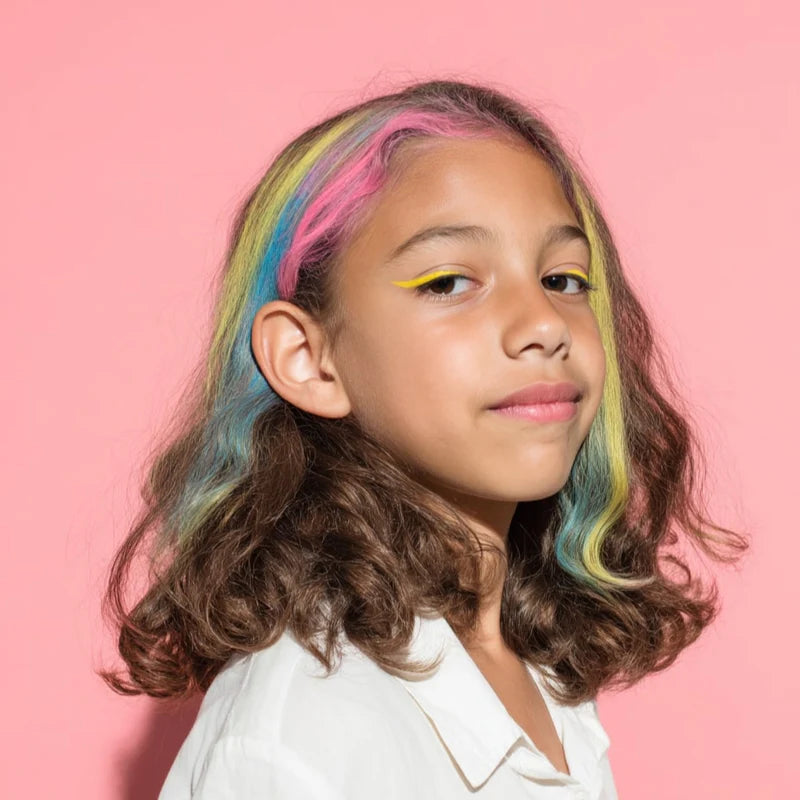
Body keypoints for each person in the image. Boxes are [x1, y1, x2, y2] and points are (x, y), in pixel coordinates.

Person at [99, 79, 749, 799]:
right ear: (308, 358)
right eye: (447, 283)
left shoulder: (533, 663)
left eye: (564, 278)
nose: (542, 322)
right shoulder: (298, 736)